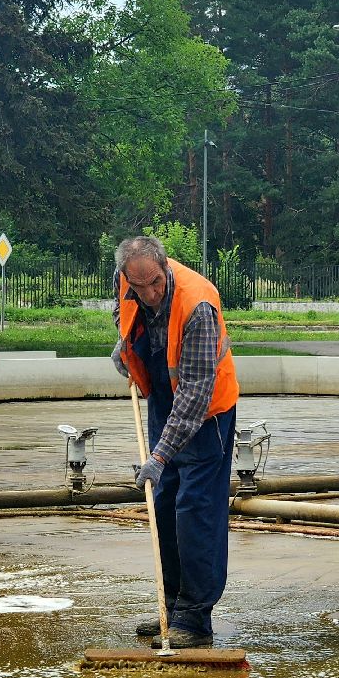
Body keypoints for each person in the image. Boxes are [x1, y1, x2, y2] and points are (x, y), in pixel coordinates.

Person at [111, 236, 239, 648]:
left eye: (154, 283)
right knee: (163, 506)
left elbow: (197, 392)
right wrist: (125, 346)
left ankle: (195, 620)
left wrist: (161, 453)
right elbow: (123, 313)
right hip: (164, 399)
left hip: (207, 415)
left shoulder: (198, 303)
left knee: (194, 515)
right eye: (138, 286)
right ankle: (171, 608)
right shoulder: (128, 284)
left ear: (165, 269)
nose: (148, 293)